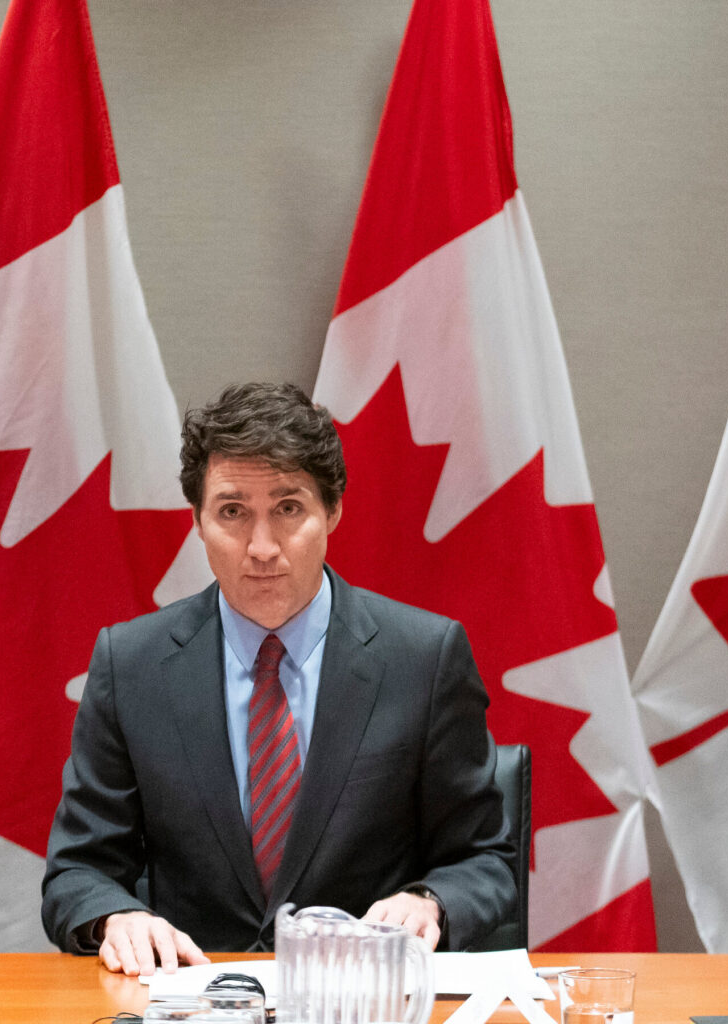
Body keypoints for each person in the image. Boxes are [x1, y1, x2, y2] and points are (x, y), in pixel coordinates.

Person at [41, 382, 516, 975]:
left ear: (332, 511)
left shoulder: (423, 658)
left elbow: (485, 860)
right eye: (232, 512)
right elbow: (78, 870)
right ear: (197, 522)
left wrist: (429, 901)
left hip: (361, 997)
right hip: (195, 997)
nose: (262, 547)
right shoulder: (131, 664)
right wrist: (117, 916)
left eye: (288, 508)